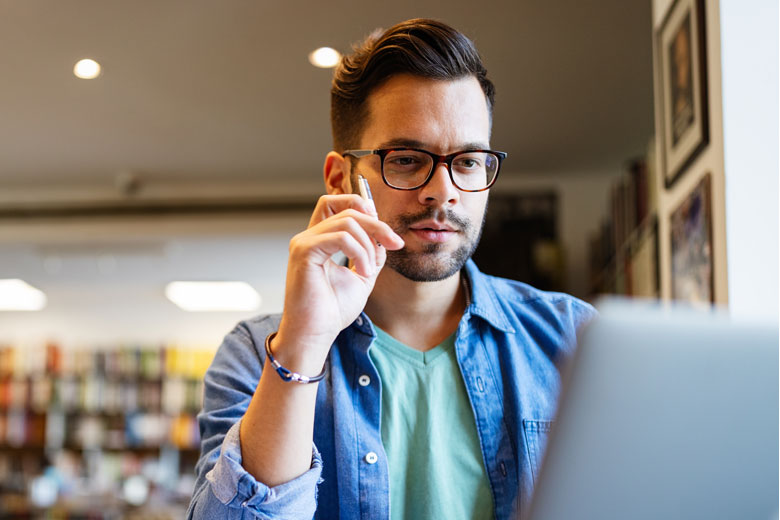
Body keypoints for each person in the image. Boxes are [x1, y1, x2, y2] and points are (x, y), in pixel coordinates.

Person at [187, 18, 595, 520]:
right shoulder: (256, 356)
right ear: (342, 178)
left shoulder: (575, 339)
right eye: (405, 158)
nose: (443, 190)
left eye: (467, 161)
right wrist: (304, 346)